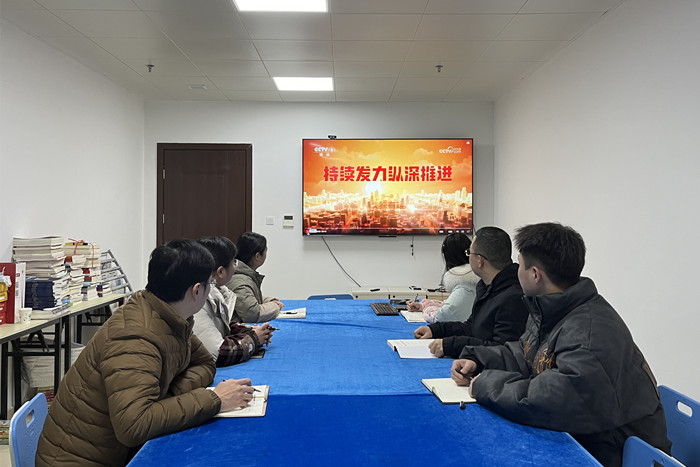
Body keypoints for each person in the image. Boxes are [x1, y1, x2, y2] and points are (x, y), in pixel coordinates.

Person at [451, 223, 671, 467]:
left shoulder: (589, 333)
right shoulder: (551, 308)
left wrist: (486, 383)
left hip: (610, 453)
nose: (516, 271)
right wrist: (478, 360)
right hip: (589, 438)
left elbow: (550, 401)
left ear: (535, 274)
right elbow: (526, 354)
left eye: (519, 265)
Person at [36, 239, 257, 466]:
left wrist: (167, 399)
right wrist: (214, 400)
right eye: (210, 284)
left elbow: (204, 363)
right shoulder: (136, 337)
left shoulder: (169, 315)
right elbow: (134, 425)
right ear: (197, 290)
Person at [413, 226, 528, 358]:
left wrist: (451, 345)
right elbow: (471, 327)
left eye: (469, 253)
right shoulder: (486, 287)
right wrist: (435, 330)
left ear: (480, 261)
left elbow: (501, 350)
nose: (468, 257)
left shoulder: (513, 298)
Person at [194, 236, 274, 367]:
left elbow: (225, 326)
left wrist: (252, 333)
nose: (235, 267)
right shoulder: (198, 300)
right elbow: (218, 353)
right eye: (233, 263)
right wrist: (254, 339)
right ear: (220, 271)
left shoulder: (218, 291)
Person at [406, 233, 479, 323]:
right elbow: (450, 305)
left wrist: (427, 310)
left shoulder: (465, 288)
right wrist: (423, 306)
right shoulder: (470, 283)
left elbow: (442, 317)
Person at [227, 232, 284, 323]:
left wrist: (269, 300)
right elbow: (252, 314)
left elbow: (247, 298)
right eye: (265, 251)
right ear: (257, 256)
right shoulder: (240, 281)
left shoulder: (242, 274)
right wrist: (275, 306)